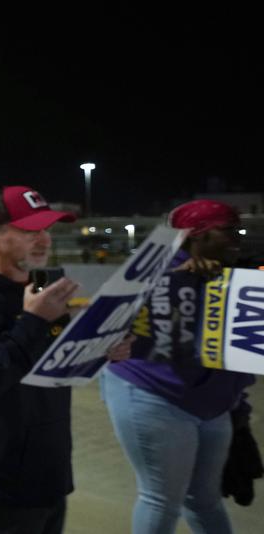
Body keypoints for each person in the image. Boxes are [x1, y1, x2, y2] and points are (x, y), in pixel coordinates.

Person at [0, 185, 132, 534]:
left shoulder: (43, 287)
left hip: (48, 463)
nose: (44, 240)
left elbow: (55, 356)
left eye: (47, 229)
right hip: (0, 477)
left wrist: (101, 349)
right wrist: (33, 321)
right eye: (29, 231)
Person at [101, 199, 255, 533]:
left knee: (205, 499)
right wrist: (175, 277)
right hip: (154, 396)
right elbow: (108, 321)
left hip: (214, 406)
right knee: (162, 500)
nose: (236, 238)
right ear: (195, 236)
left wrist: (239, 408)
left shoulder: (236, 277)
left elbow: (239, 352)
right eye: (227, 231)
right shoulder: (156, 271)